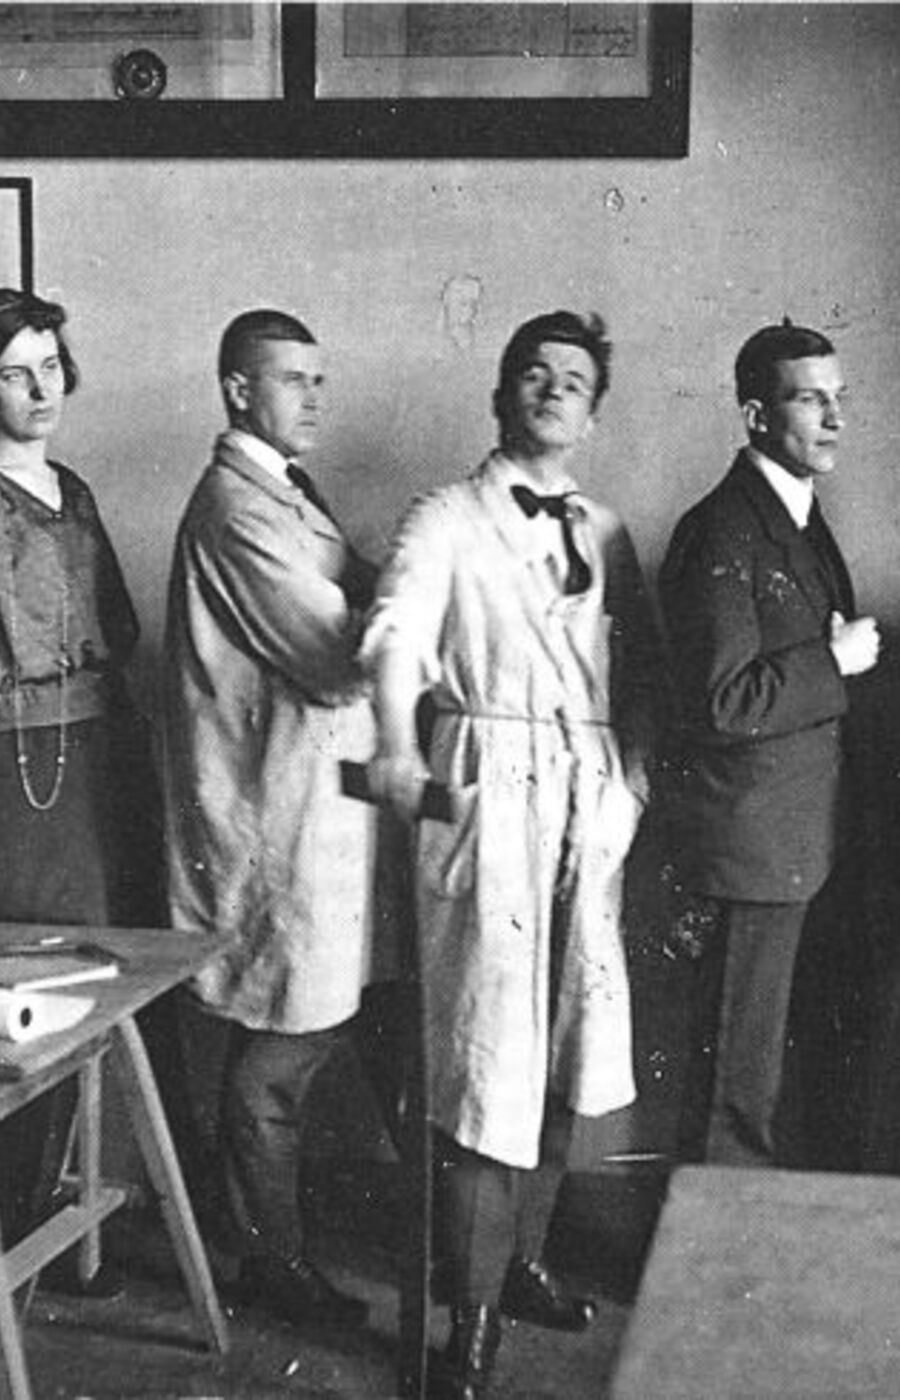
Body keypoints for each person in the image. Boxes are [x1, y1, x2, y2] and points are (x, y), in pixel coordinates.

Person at [362, 310, 659, 1399]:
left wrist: (629, 788)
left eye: (573, 378)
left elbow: (651, 683)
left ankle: (523, 1262)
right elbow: (395, 634)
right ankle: (471, 1321)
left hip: (586, 802)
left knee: (565, 1054)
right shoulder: (448, 513)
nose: (553, 388)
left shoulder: (609, 528)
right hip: (486, 797)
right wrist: (398, 744)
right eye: (533, 373)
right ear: (502, 393)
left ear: (592, 408)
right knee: (488, 1062)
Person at [164, 307, 388, 1331]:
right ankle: (269, 1257)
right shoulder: (239, 509)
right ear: (237, 391)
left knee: (312, 1017)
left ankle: (266, 1237)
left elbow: (351, 591)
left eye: (318, 377)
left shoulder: (282, 491)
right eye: (291, 378)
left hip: (316, 807)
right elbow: (333, 654)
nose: (314, 397)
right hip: (273, 815)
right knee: (281, 1040)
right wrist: (431, 597)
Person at [659, 318, 880, 1168]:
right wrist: (831, 659)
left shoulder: (795, 512)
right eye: (808, 400)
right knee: (733, 1088)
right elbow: (720, 699)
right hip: (749, 847)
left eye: (839, 399)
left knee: (758, 1074)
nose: (833, 418)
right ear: (755, 414)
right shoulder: (724, 529)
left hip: (795, 839)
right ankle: (707, 1275)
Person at [0, 288, 142, 1253]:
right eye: (13, 373)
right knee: (24, 985)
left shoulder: (75, 489)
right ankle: (14, 1224)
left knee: (96, 975)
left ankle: (59, 1217)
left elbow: (119, 627)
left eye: (49, 367)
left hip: (90, 752)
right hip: (14, 766)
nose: (38, 389)